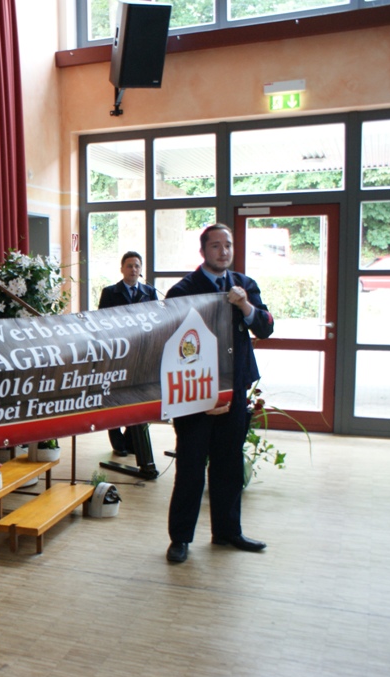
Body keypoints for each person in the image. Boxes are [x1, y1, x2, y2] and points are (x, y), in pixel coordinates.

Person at [164, 223, 274, 564]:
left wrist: (245, 307)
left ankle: (228, 532)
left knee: (228, 466)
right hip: (194, 394)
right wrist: (202, 395)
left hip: (235, 391)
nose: (223, 251)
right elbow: (169, 344)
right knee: (191, 468)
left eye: (228, 245)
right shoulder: (183, 290)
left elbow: (266, 327)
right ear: (202, 251)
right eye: (216, 245)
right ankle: (180, 538)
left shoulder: (245, 285)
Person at [98, 250, 158, 457]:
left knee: (139, 395)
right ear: (122, 269)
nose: (133, 269)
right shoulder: (110, 292)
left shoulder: (149, 292)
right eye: (130, 266)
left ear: (141, 270)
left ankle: (133, 440)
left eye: (137, 266)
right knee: (116, 395)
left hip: (142, 352)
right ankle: (118, 441)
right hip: (117, 352)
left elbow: (156, 320)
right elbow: (102, 322)